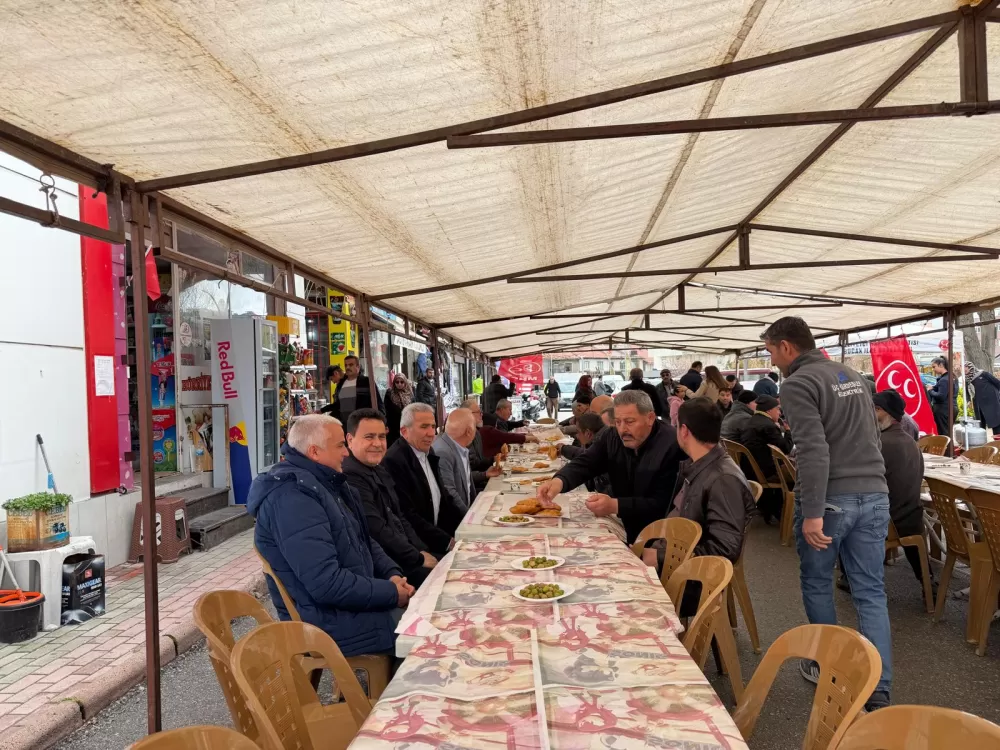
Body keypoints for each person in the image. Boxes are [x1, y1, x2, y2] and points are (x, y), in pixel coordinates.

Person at [762, 316, 891, 712]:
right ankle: (879, 689)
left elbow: (814, 451)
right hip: (874, 493)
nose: (772, 362)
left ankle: (826, 664)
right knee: (870, 590)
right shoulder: (848, 373)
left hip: (831, 500)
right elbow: (870, 432)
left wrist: (814, 513)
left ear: (786, 347)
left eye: (770, 352)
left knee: (817, 581)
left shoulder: (798, 383)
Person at [247, 414, 411, 657]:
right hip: (326, 623)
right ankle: (401, 694)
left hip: (345, 609)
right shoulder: (294, 498)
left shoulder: (324, 482)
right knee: (424, 636)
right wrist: (389, 593)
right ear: (314, 452)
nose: (346, 452)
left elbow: (364, 540)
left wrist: (392, 574)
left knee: (429, 618)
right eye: (340, 445)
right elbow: (326, 584)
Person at [537, 390, 684, 543]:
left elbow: (663, 503)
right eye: (618, 422)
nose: (622, 429)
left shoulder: (672, 444)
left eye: (629, 421)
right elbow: (586, 462)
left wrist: (616, 505)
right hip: (626, 525)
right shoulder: (612, 436)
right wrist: (559, 481)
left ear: (650, 418)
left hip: (659, 536)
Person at [642, 398, 756, 578]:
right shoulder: (702, 465)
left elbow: (724, 550)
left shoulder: (723, 479)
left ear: (684, 430)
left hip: (687, 576)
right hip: (675, 557)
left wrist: (662, 556)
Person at [342, 409, 437, 588]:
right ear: (350, 439)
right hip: (387, 570)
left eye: (382, 437)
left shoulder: (377, 467)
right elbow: (377, 530)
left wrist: (421, 550)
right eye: (369, 437)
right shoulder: (351, 475)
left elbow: (400, 516)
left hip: (405, 557)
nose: (377, 443)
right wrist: (417, 557)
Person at [870, 390, 935, 597]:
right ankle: (928, 580)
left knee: (845, 510)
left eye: (874, 409)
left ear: (883, 411)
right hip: (911, 517)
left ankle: (851, 576)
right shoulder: (911, 442)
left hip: (886, 521)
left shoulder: (879, 443)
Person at [382, 403, 462, 556]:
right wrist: (447, 542)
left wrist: (466, 525)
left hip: (439, 536)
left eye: (433, 426)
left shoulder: (428, 450)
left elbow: (443, 497)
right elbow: (407, 514)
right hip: (420, 548)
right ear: (404, 431)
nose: (431, 433)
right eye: (424, 427)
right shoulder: (394, 460)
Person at [737, 393, 793, 523]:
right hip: (764, 471)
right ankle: (783, 514)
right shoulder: (768, 426)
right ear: (769, 410)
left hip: (750, 468)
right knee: (795, 478)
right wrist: (788, 431)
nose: (779, 412)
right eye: (777, 409)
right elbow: (786, 448)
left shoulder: (751, 421)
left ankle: (768, 510)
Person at [432, 408, 478, 512]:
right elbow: (450, 493)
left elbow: (468, 486)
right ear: (469, 431)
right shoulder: (443, 452)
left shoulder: (459, 447)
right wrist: (469, 517)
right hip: (456, 523)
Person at [459, 398, 504, 491]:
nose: (482, 415)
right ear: (468, 415)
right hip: (472, 488)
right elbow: (461, 475)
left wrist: (494, 458)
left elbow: (478, 460)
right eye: (479, 412)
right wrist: (484, 474)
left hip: (479, 481)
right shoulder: (460, 436)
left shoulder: (476, 432)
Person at [323, 355, 384, 423]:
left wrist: (382, 421)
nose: (348, 367)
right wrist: (323, 411)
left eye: (351, 365)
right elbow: (338, 405)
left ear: (358, 366)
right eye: (346, 365)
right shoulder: (341, 385)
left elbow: (378, 403)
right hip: (345, 424)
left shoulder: (367, 381)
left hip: (363, 423)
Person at [966, 362, 1000, 438]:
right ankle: (982, 443)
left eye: (964, 367)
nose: (963, 369)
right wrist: (968, 400)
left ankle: (997, 444)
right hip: (978, 405)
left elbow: (997, 383)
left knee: (995, 423)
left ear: (970, 367)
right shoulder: (967, 379)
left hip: (991, 404)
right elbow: (966, 392)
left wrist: (994, 396)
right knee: (980, 425)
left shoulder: (983, 374)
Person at [384, 374, 413, 445]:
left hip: (407, 423)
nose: (399, 384)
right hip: (393, 425)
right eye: (397, 382)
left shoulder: (409, 393)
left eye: (402, 382)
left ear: (405, 382)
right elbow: (386, 409)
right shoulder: (390, 393)